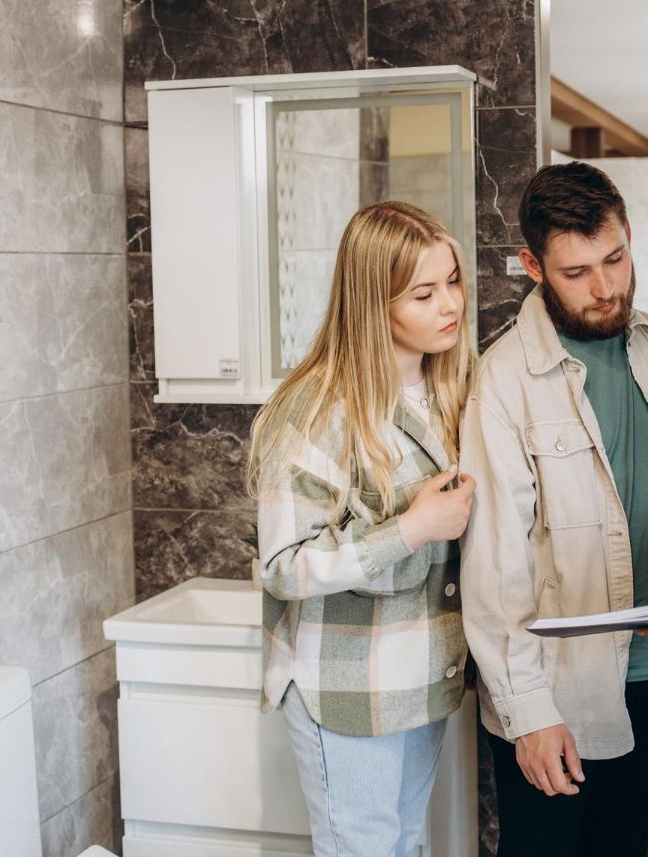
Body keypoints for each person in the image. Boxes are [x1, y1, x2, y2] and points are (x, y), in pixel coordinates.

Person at [459, 162, 648, 857]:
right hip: (563, 692)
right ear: (532, 266)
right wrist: (528, 714)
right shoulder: (503, 381)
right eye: (576, 272)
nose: (605, 288)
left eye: (615, 258)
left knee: (624, 847)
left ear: (628, 236)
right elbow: (494, 569)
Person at [251, 201, 478, 857]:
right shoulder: (319, 410)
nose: (449, 305)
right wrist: (408, 529)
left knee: (403, 844)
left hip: (422, 673)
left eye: (453, 281)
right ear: (373, 303)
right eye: (423, 293)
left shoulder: (447, 391)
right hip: (347, 685)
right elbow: (284, 565)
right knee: (364, 849)